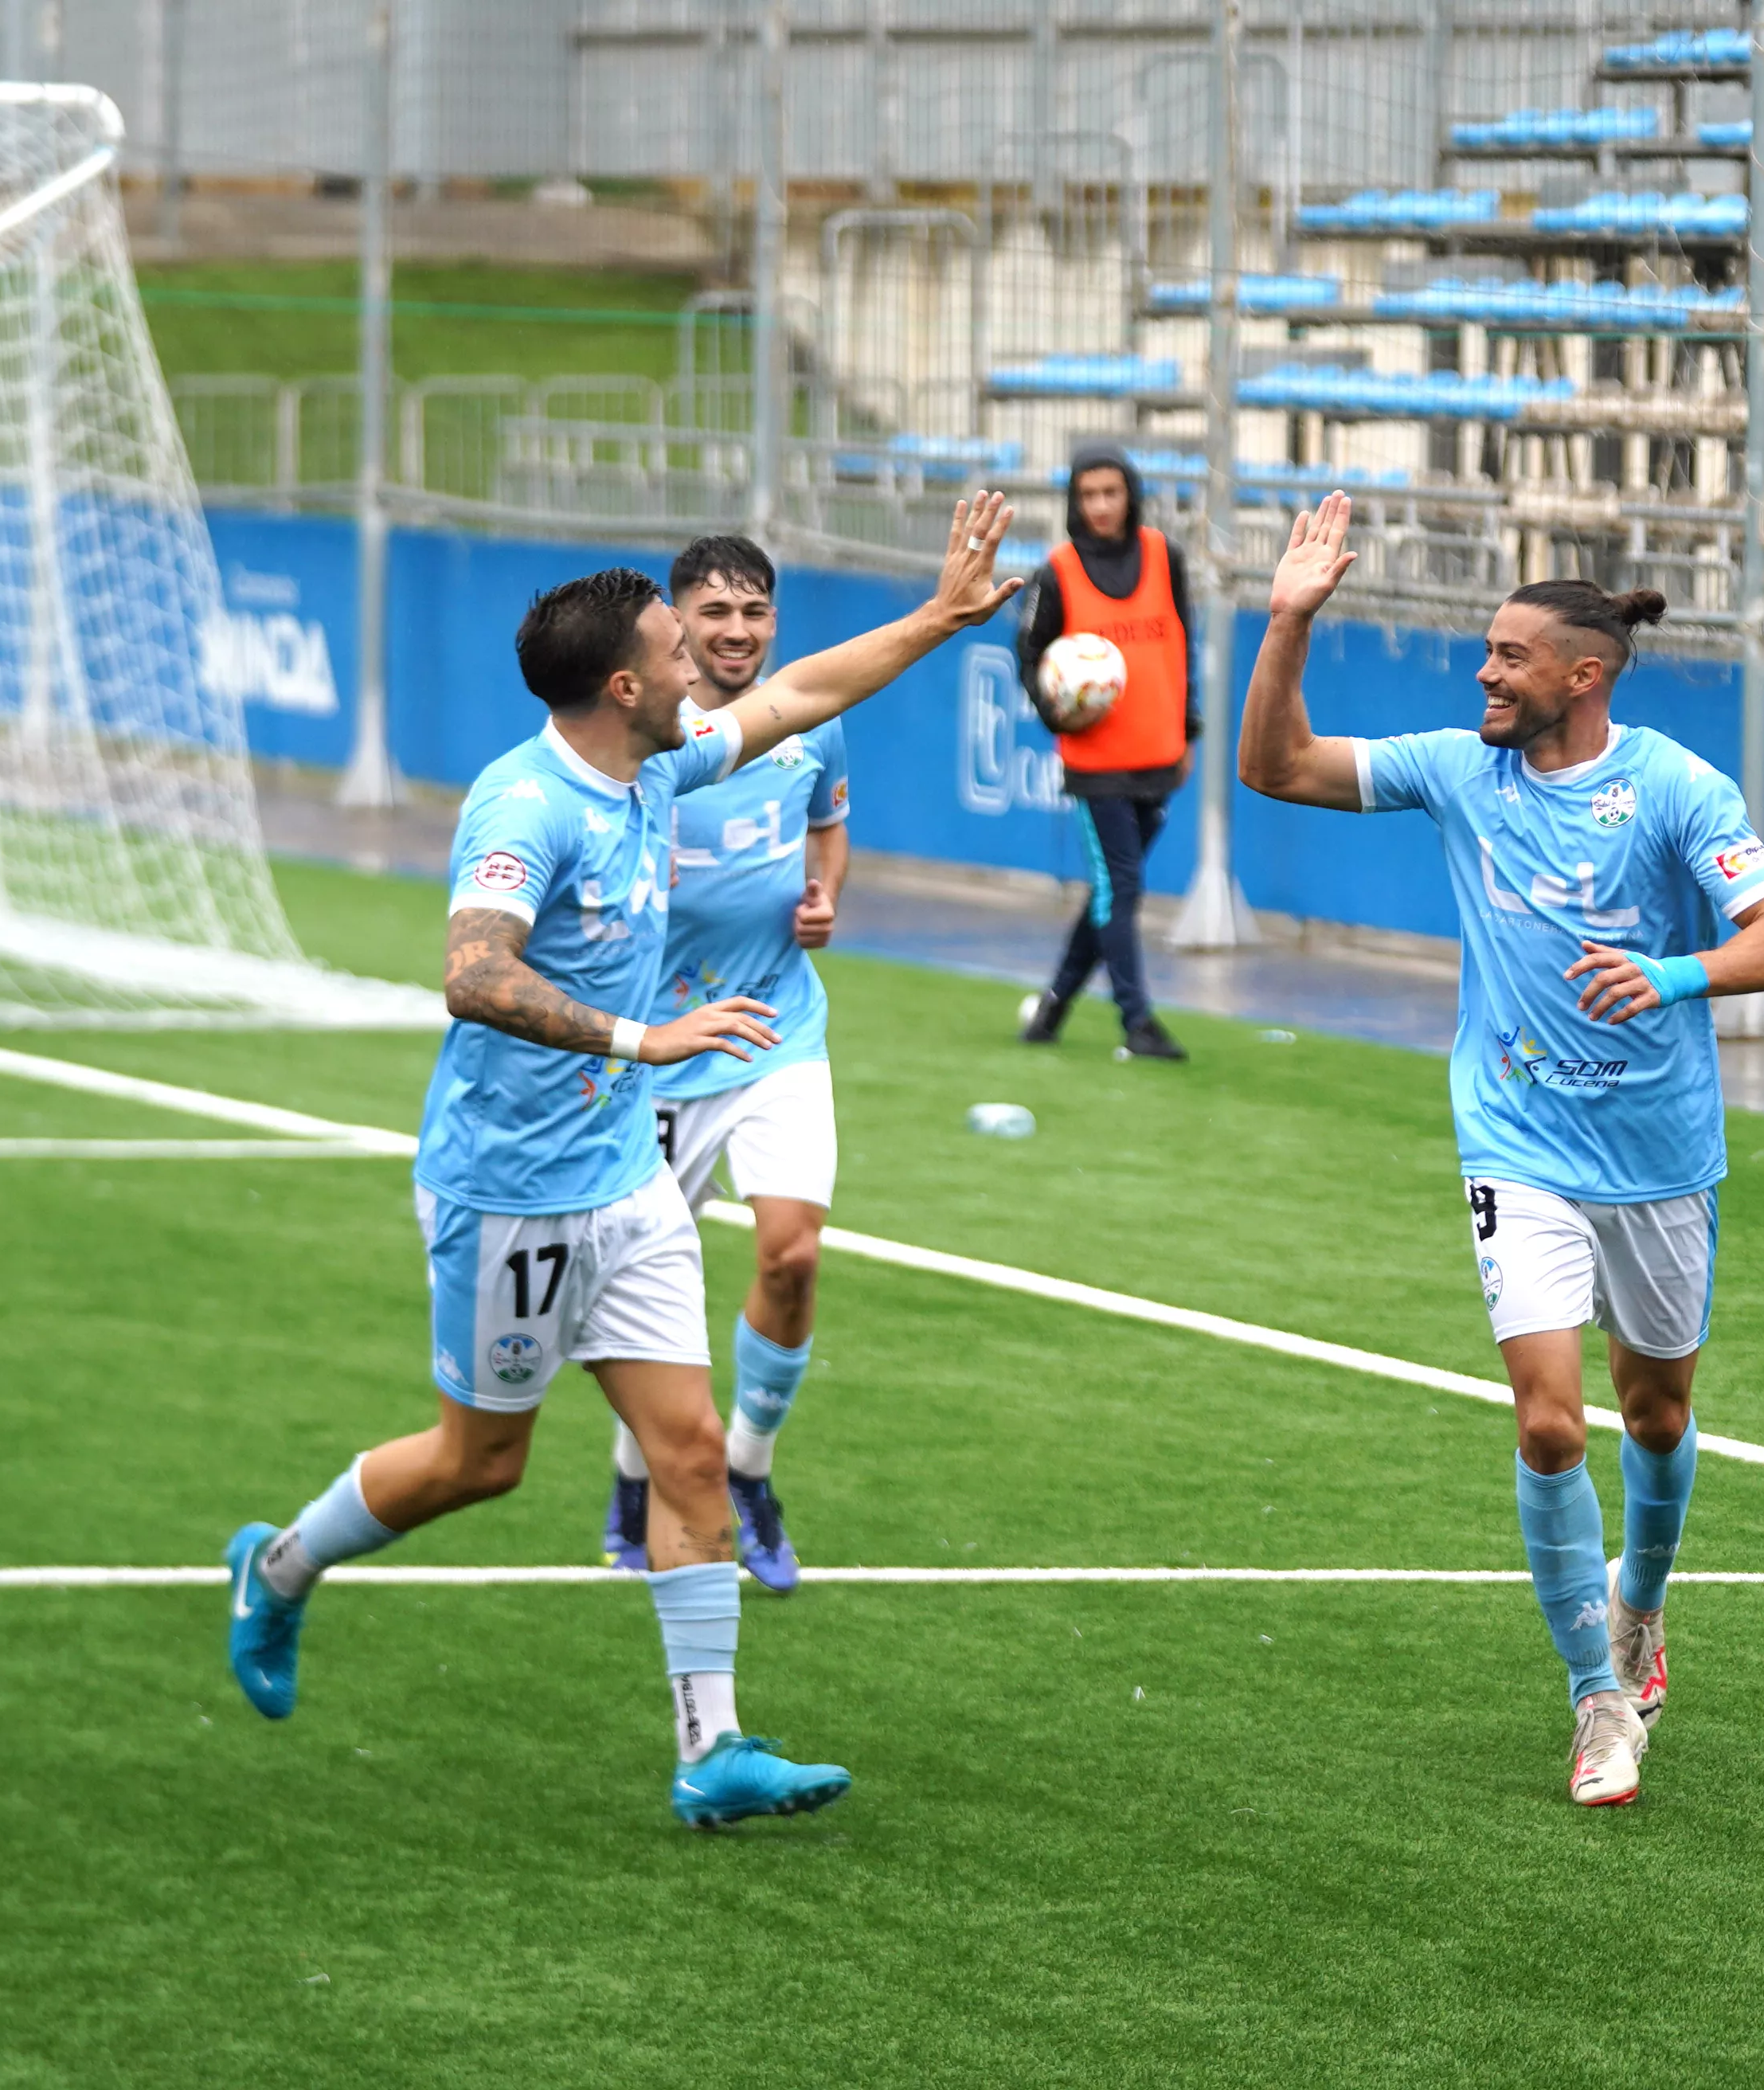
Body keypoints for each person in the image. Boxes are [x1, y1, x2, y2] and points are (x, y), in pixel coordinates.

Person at [223, 495, 1024, 1830]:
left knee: (693, 1452)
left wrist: (945, 612)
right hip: (509, 1188)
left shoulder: (661, 761)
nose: (703, 664)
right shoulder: (527, 802)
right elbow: (472, 972)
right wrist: (641, 1034)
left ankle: (709, 1747)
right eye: (674, 644)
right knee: (480, 1461)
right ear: (622, 683)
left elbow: (804, 693)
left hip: (621, 1180)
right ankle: (285, 1563)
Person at [1234, 491, 1764, 1810]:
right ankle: (1595, 1701)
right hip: (1517, 1141)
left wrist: (1671, 972)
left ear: (1582, 675)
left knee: (1657, 1410)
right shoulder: (1457, 768)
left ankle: (1638, 1611)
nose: (1483, 673)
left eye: (1507, 657)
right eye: (1485, 653)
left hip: (1660, 1153)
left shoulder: (1674, 786)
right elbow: (1276, 765)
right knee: (1553, 1419)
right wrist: (1287, 619)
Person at [600, 534, 847, 1594]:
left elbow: (828, 825)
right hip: (657, 1054)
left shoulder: (809, 724)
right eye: (715, 614)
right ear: (679, 622)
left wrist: (825, 895)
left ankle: (747, 1468)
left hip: (776, 1032)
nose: (737, 632)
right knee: (641, 1299)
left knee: (790, 1255)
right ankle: (631, 1476)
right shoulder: (642, 736)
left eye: (754, 613)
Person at [1012, 440, 1198, 1061]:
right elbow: (1029, 653)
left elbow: (1183, 643)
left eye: (1110, 492)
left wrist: (1189, 729)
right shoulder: (1056, 572)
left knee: (1111, 892)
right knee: (1122, 888)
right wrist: (1055, 712)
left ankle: (1053, 1007)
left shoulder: (1164, 557)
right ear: (1074, 500)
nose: (1100, 506)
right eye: (1088, 494)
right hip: (1096, 764)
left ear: (1130, 495)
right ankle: (1137, 1022)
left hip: (1160, 754)